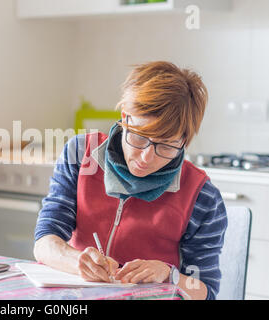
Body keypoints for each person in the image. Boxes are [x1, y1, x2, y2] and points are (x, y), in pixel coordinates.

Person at [33, 61, 228, 300]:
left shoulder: (202, 196)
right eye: (139, 137)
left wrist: (169, 274)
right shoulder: (80, 154)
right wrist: (77, 261)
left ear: (184, 141)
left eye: (166, 145)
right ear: (125, 117)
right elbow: (44, 243)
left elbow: (206, 291)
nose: (147, 157)